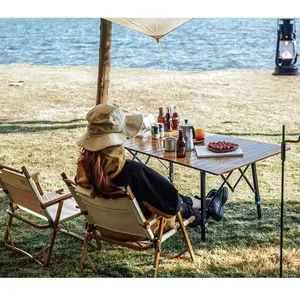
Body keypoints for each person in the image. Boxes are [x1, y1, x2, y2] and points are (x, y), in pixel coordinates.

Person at [75, 102, 228, 228]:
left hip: (108, 224)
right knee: (176, 203)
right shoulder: (133, 172)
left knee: (158, 191)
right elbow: (171, 206)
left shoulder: (84, 168)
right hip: (143, 224)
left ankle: (203, 203)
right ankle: (205, 209)